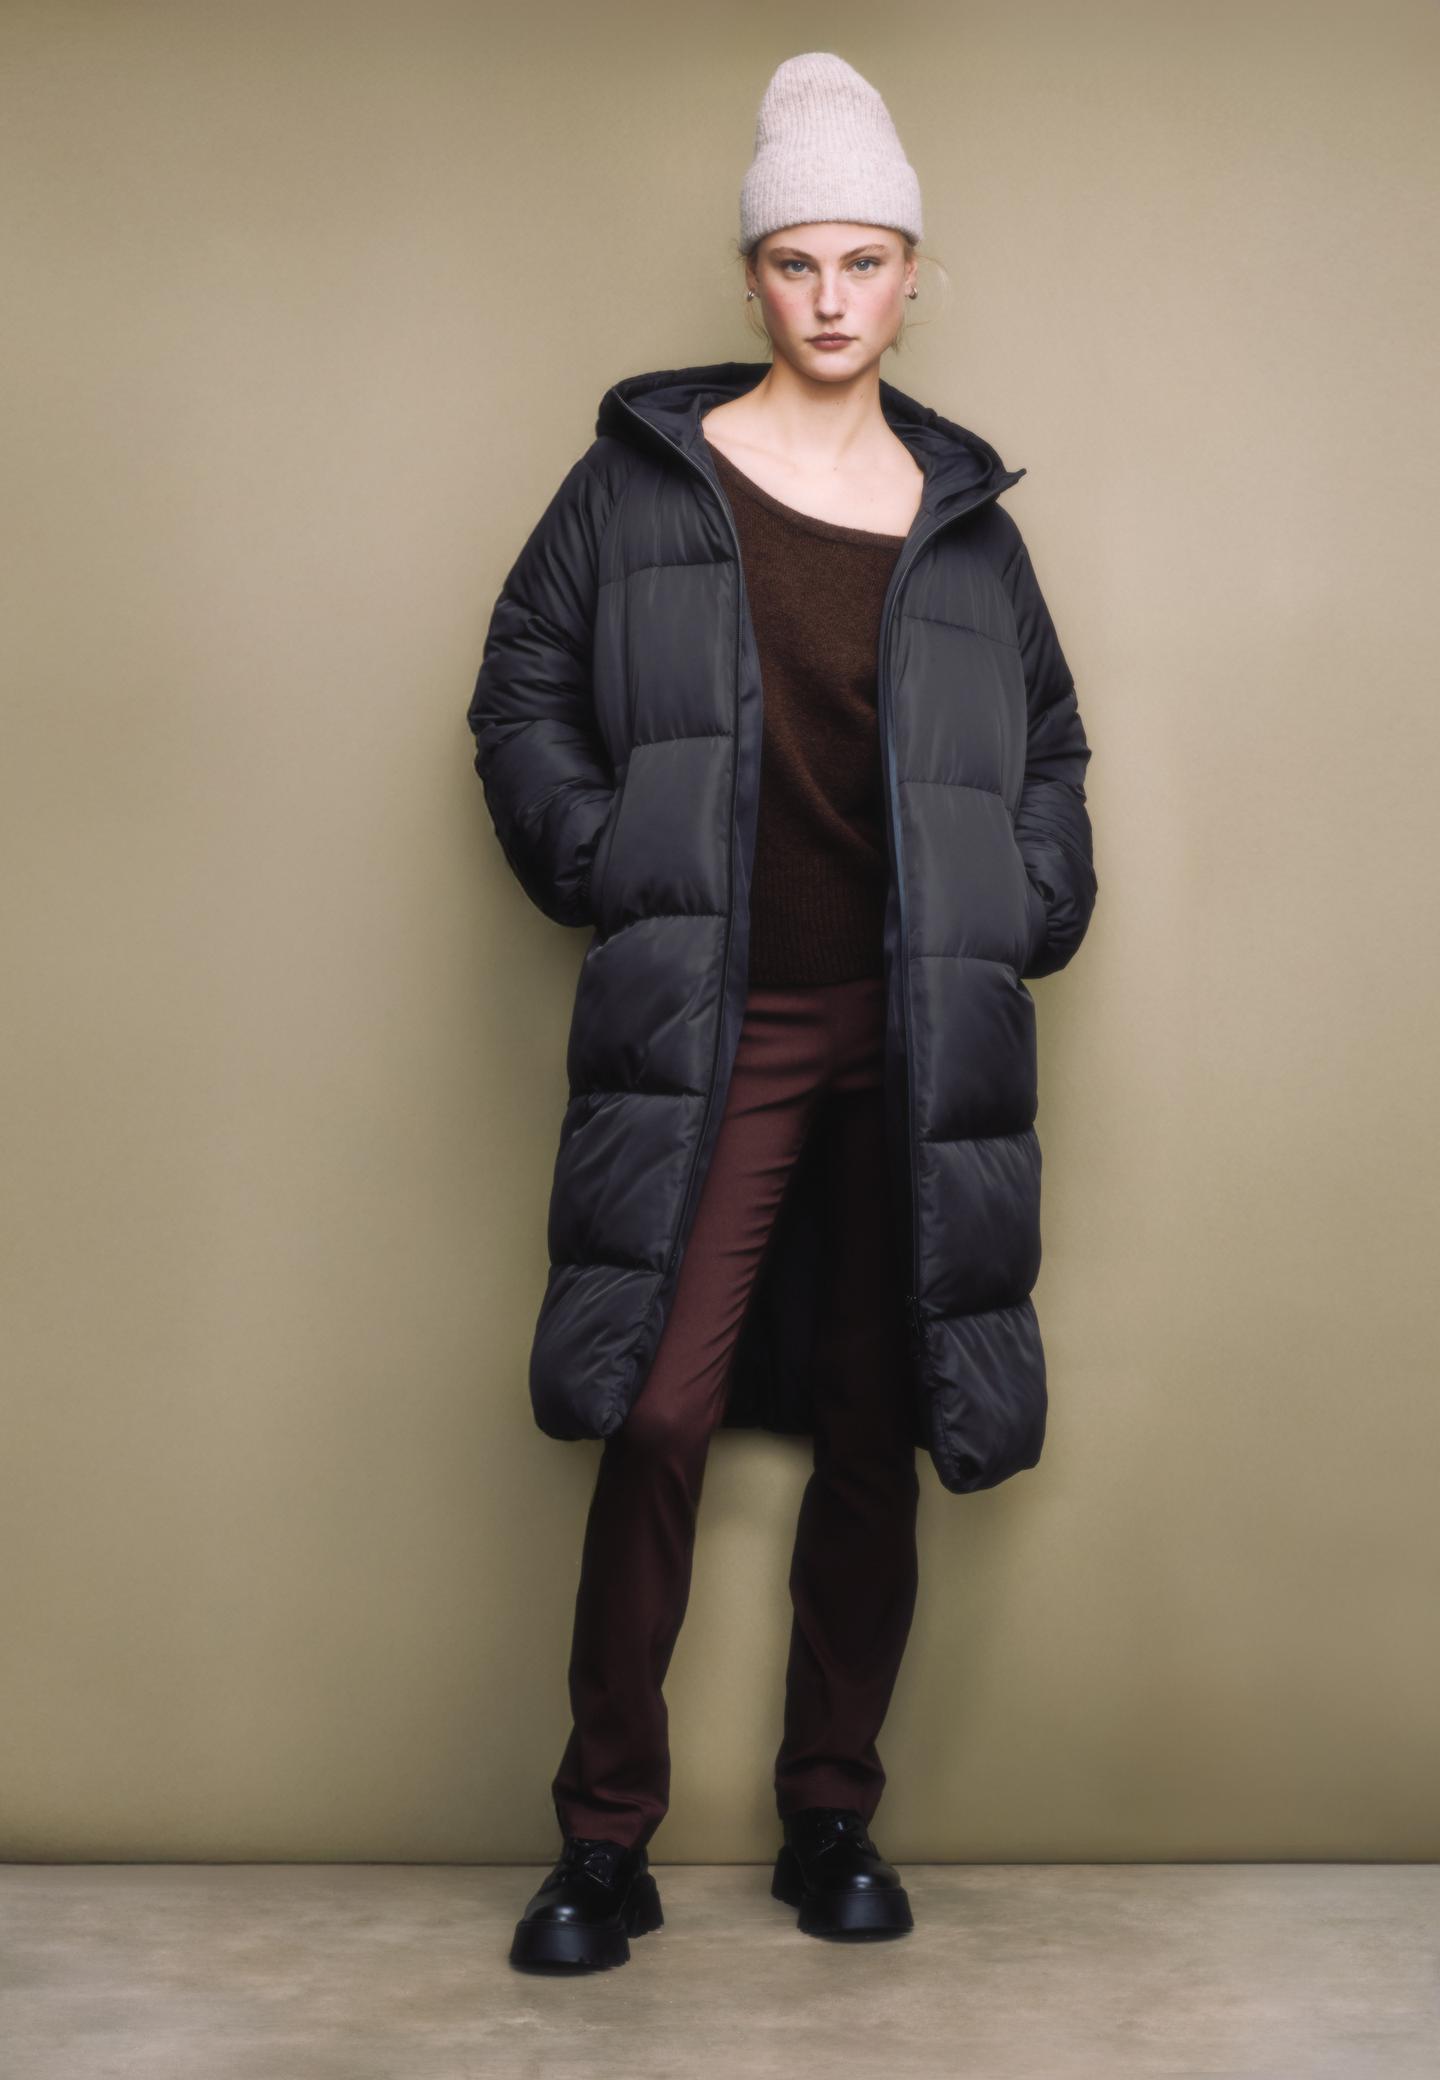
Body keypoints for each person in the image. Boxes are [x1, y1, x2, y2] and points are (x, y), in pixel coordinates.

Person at [467, 52, 1098, 1974]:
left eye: (867, 261)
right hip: (715, 1024)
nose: (833, 298)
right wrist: (606, 855)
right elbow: (520, 689)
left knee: (875, 1417)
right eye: (799, 261)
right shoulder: (640, 486)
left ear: (913, 278)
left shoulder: (965, 521)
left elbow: (1051, 751)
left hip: (918, 1041)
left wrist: (1026, 900)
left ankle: (834, 1812)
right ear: (752, 277)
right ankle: (603, 1843)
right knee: (657, 1410)